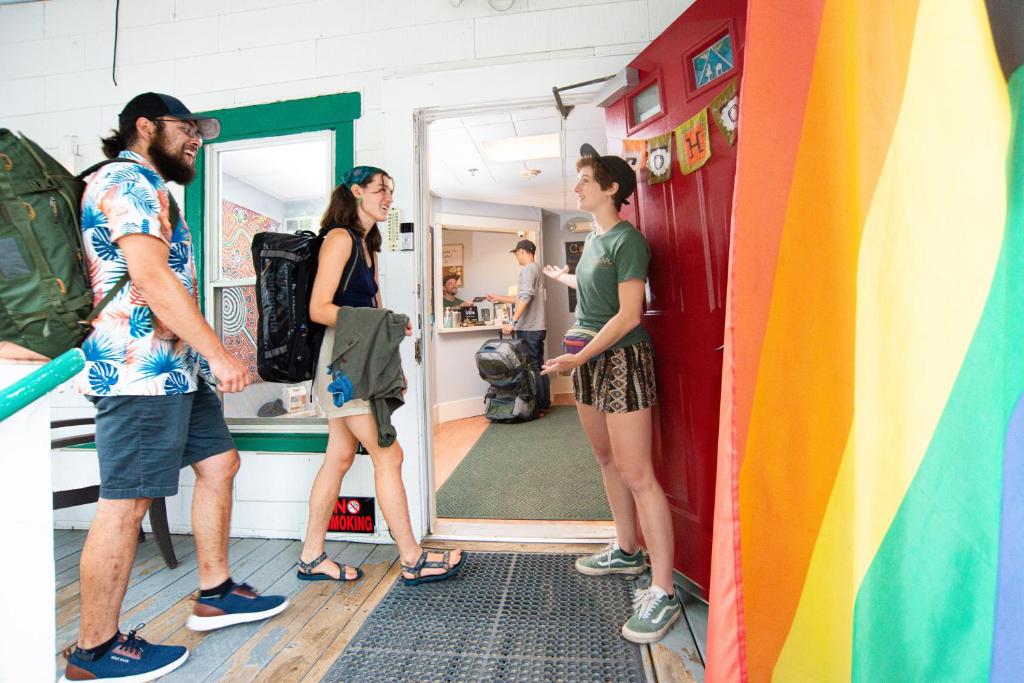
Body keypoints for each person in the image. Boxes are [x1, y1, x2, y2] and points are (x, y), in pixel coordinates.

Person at [64, 93, 288, 683]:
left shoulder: (149, 185)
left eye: (199, 131)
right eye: (185, 128)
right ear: (144, 127)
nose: (195, 139)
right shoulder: (128, 180)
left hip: (174, 369)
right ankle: (94, 649)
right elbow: (150, 276)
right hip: (139, 371)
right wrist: (219, 353)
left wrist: (200, 356)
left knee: (220, 463)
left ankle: (215, 592)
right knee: (128, 501)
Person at [541, 144, 680, 644]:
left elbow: (628, 317)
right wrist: (564, 278)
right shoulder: (593, 241)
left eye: (584, 180)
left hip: (620, 358)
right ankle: (626, 549)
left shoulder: (628, 241)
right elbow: (593, 295)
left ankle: (663, 590)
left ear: (612, 188)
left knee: (638, 473)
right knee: (605, 459)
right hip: (585, 357)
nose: (576, 187)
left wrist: (578, 357)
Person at [301, 166, 464, 586]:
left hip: (355, 362)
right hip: (341, 366)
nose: (388, 197)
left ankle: (311, 557)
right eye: (380, 190)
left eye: (391, 191)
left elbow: (362, 314)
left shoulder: (366, 245)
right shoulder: (340, 239)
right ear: (356, 192)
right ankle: (412, 558)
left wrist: (387, 323)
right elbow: (319, 309)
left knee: (338, 458)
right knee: (389, 454)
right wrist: (382, 322)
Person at [486, 239, 550, 413]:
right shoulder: (536, 269)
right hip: (537, 326)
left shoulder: (528, 270)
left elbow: (526, 297)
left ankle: (538, 405)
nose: (516, 257)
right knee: (539, 365)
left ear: (522, 251)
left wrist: (512, 322)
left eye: (516, 253)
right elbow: (521, 297)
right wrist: (499, 297)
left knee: (533, 367)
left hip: (529, 327)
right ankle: (544, 404)